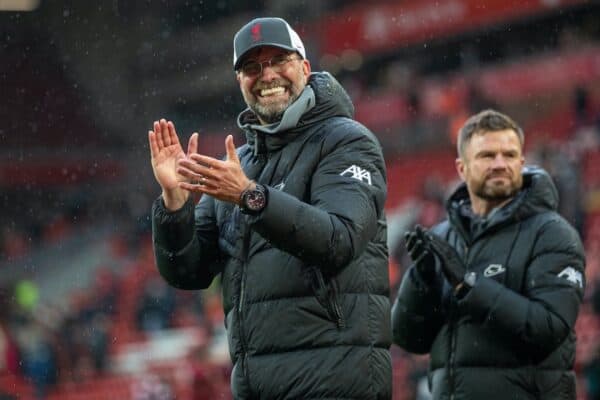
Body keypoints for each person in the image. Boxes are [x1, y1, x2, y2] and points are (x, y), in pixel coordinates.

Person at [148, 17, 392, 399]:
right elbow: (187, 272)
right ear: (240, 83)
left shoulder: (347, 141)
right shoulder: (237, 166)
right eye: (251, 67)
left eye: (280, 60)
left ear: (305, 68)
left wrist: (251, 197)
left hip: (335, 384)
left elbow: (340, 240)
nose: (267, 75)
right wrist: (174, 203)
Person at [391, 109, 586, 399]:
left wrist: (469, 287)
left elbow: (549, 329)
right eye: (487, 156)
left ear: (522, 162)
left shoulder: (552, 233)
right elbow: (410, 339)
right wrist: (421, 283)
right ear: (462, 168)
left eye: (509, 155)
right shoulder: (442, 237)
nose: (499, 164)